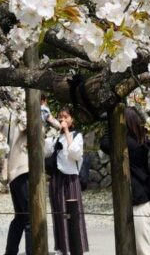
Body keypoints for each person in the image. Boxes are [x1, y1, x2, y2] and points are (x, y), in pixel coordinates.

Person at [102, 107, 150, 255]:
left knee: (143, 250)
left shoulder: (130, 144)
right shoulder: (139, 141)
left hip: (140, 205)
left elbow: (104, 143)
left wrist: (109, 125)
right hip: (142, 201)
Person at [46, 107, 88, 254]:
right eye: (60, 117)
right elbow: (46, 152)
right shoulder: (55, 136)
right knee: (58, 212)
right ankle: (62, 248)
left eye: (66, 117)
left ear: (72, 119)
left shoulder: (77, 135)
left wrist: (66, 132)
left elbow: (75, 153)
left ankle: (76, 247)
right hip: (56, 178)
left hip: (70, 178)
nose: (62, 119)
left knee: (73, 212)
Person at [2, 107, 30, 255]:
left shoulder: (4, 114)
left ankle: (10, 252)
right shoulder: (22, 114)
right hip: (22, 169)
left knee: (20, 216)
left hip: (12, 171)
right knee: (30, 217)